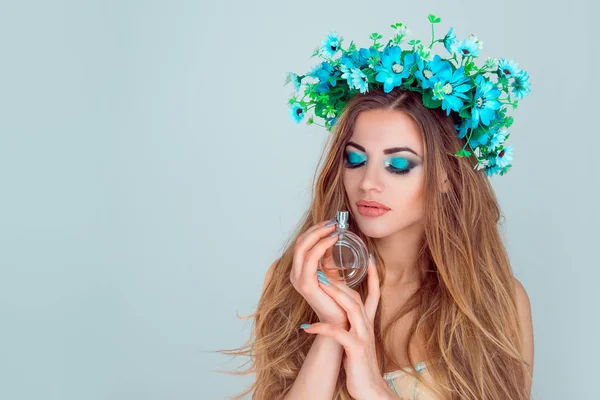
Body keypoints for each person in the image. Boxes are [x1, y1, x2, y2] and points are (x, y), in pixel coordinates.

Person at [219, 15, 534, 400]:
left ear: (448, 177)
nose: (368, 182)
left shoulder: (497, 300)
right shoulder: (291, 283)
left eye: (398, 165)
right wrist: (334, 328)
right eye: (355, 159)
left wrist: (370, 387)